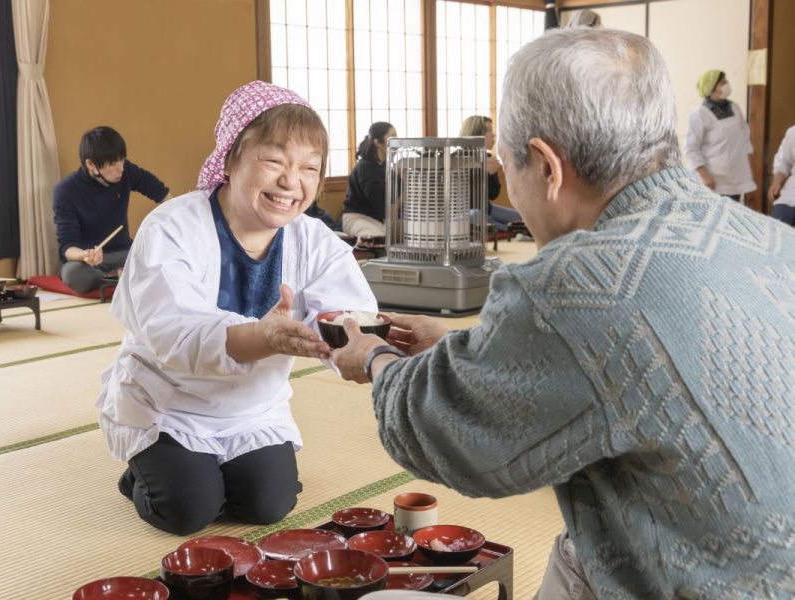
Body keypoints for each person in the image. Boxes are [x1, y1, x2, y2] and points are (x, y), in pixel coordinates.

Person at [336, 28, 795, 599]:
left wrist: (374, 357)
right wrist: (462, 347)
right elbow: (620, 366)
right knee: (578, 544)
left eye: (507, 166)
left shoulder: (575, 282)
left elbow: (442, 431)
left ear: (549, 168)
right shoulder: (769, 238)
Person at [96, 81, 377, 536]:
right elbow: (174, 334)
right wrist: (263, 337)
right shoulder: (172, 227)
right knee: (187, 511)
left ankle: (205, 470)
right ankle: (143, 472)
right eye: (274, 161)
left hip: (252, 410)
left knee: (268, 504)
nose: (292, 182)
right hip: (170, 402)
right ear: (230, 158)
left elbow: (347, 314)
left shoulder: (315, 240)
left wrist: (366, 347)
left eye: (309, 167)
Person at [53, 126, 170, 293]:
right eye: (113, 163)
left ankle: (115, 278)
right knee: (73, 274)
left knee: (160, 257)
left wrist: (177, 217)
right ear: (91, 164)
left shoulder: (126, 171)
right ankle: (122, 278)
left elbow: (162, 193)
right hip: (87, 262)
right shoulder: (66, 191)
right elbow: (68, 247)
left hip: (123, 253)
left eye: (122, 160)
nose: (121, 168)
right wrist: (86, 255)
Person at [684, 70, 756, 202]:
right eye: (722, 82)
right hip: (711, 182)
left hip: (734, 180)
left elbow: (744, 138)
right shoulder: (699, 114)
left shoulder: (734, 107)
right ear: (711, 88)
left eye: (726, 81)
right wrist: (706, 177)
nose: (727, 84)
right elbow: (691, 148)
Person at [458, 115, 522, 231]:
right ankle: (507, 230)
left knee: (520, 218)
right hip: (465, 212)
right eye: (489, 131)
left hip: (488, 209)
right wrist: (481, 171)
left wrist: (491, 175)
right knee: (475, 215)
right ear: (477, 134)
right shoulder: (459, 158)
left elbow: (494, 194)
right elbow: (460, 194)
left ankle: (506, 229)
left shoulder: (488, 158)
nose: (493, 135)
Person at [341, 122, 397, 239]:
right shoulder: (364, 167)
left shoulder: (385, 166)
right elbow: (378, 203)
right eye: (392, 136)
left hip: (378, 220)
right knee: (376, 240)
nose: (396, 141)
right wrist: (399, 178)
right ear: (377, 142)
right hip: (357, 218)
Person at [768, 124, 795, 225]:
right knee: (776, 227)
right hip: (791, 196)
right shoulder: (793, 132)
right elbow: (783, 162)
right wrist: (776, 182)